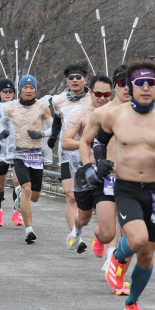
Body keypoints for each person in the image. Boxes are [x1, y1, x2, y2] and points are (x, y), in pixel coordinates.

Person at [89, 60, 155, 310]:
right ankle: (117, 259)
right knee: (138, 238)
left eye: (151, 83)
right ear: (130, 86)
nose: (145, 87)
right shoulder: (115, 115)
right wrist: (100, 163)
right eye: (139, 82)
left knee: (147, 254)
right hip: (126, 188)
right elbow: (99, 142)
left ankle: (131, 304)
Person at [77, 67, 134, 295]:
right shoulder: (102, 114)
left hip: (133, 180)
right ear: (115, 85)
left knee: (130, 234)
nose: (128, 88)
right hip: (106, 179)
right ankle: (98, 235)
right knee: (109, 234)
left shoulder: (145, 113)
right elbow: (85, 142)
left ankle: (118, 278)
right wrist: (90, 167)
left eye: (133, 83)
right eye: (123, 82)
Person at [0, 75, 52, 243]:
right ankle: (29, 229)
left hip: (36, 154)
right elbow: (1, 123)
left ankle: (20, 199)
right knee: (26, 188)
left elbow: (53, 128)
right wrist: (3, 132)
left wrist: (41, 134)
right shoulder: (11, 108)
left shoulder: (43, 107)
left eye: (31, 88)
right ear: (20, 89)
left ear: (35, 89)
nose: (28, 90)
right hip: (19, 153)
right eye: (25, 87)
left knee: (34, 196)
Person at [64, 75, 113, 254]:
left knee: (110, 214)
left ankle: (110, 259)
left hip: (110, 171)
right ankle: (77, 230)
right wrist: (90, 143)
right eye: (98, 93)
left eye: (107, 94)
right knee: (84, 217)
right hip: (87, 171)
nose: (102, 98)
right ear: (90, 91)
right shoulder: (81, 114)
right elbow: (65, 142)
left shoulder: (117, 113)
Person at [49, 61, 93, 238]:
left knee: (88, 194)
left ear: (85, 80)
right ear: (66, 81)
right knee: (71, 194)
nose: (75, 80)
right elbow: (57, 120)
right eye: (71, 78)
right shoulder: (58, 101)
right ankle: (75, 234)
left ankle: (82, 224)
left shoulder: (94, 97)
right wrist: (53, 136)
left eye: (78, 77)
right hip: (67, 150)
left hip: (88, 150)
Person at [0, 78, 23, 227]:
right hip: (0, 150)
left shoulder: (19, 107)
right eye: (5, 91)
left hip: (16, 149)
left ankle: (17, 213)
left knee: (17, 182)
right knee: (0, 185)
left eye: (11, 91)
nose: (8, 94)